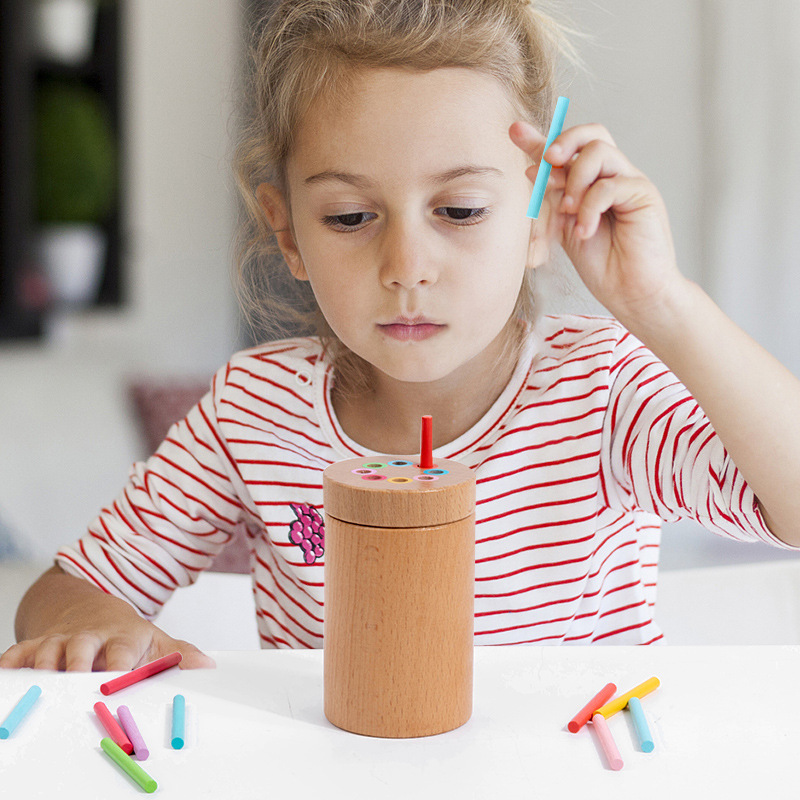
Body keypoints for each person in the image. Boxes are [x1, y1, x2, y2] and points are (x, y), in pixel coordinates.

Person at [3, 0, 800, 672]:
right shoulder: (251, 412)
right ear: (288, 235)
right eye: (350, 217)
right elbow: (63, 595)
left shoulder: (602, 390)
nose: (406, 266)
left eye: (459, 211)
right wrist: (102, 636)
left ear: (537, 219)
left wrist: (664, 303)